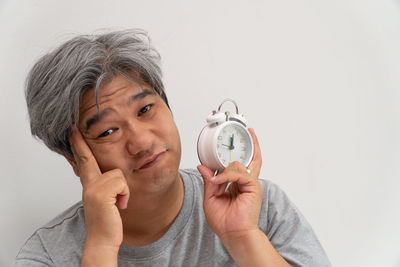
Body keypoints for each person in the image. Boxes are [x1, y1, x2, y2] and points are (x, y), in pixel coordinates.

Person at [15, 29, 331, 267]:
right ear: (75, 160)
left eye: (145, 110)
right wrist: (101, 246)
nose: (140, 141)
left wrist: (243, 237)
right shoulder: (47, 255)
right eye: (108, 130)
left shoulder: (260, 207)